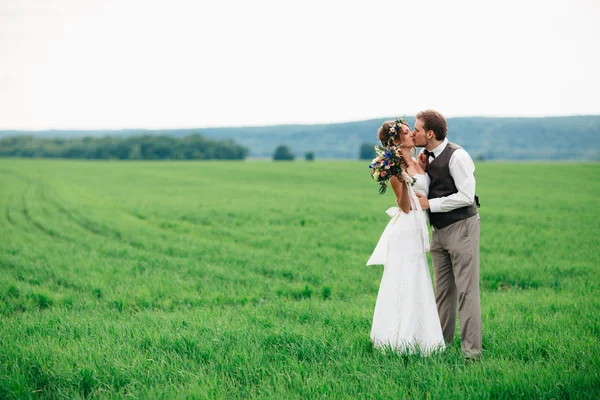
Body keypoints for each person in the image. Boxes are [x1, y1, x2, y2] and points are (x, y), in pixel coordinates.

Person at [367, 119, 445, 356]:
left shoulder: (420, 160)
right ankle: (399, 339)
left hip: (418, 227)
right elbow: (405, 206)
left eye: (410, 130)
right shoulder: (394, 167)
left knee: (418, 278)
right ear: (395, 141)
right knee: (405, 279)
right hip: (406, 228)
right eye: (405, 132)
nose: (411, 133)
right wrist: (400, 180)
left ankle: (422, 338)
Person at [412, 109, 482, 360]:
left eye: (417, 129)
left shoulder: (458, 156)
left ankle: (472, 353)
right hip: (438, 232)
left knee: (467, 291)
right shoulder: (426, 157)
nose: (412, 133)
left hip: (462, 227)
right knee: (442, 292)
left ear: (430, 133)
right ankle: (442, 345)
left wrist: (431, 205)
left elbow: (466, 196)